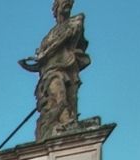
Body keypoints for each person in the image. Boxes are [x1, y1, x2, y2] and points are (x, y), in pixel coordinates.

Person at [19, 0, 89, 140]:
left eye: (69, 2)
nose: (67, 4)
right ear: (56, 8)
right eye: (64, 1)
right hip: (50, 71)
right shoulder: (49, 36)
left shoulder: (76, 20)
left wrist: (44, 54)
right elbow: (40, 61)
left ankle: (68, 122)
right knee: (57, 94)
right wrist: (29, 65)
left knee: (70, 97)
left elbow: (66, 37)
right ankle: (64, 122)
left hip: (68, 67)